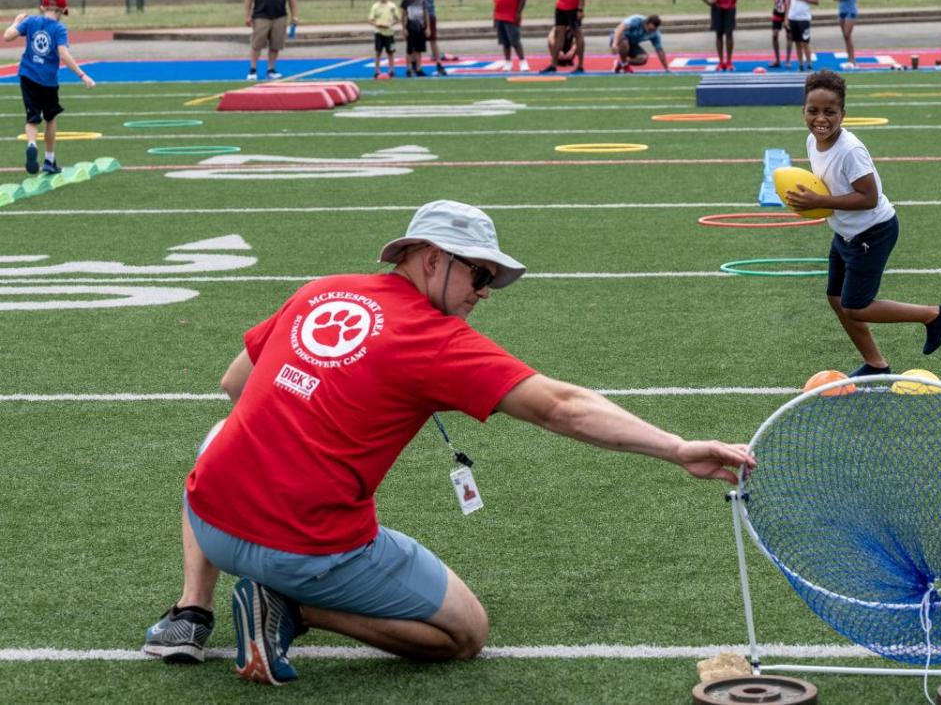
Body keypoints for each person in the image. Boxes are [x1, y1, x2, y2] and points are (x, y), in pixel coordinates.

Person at [141, 200, 755, 684]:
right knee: (467, 634)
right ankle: (295, 607)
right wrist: (675, 447)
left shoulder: (320, 288)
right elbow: (561, 407)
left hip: (216, 521)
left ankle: (192, 612)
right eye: (479, 273)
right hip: (307, 549)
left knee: (220, 437)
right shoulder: (432, 340)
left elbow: (233, 384)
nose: (485, 290)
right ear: (431, 259)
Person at [782, 71, 941, 377]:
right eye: (813, 110)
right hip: (844, 233)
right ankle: (876, 365)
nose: (821, 119)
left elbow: (869, 197)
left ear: (843, 114)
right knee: (836, 300)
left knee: (856, 306)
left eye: (830, 112)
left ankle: (932, 315)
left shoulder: (850, 151)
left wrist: (819, 203)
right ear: (803, 111)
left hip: (872, 232)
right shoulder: (812, 140)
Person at [3, 0, 95, 175]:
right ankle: (49, 160)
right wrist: (82, 75)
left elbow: (7, 36)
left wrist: (16, 22)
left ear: (43, 7)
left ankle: (31, 144)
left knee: (32, 118)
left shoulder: (30, 22)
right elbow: (64, 55)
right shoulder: (59, 29)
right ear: (62, 10)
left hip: (27, 76)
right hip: (48, 81)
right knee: (50, 118)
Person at [243, 0, 298, 81]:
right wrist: (247, 15)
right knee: (256, 45)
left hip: (279, 16)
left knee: (275, 45)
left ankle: (271, 70)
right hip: (260, 16)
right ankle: (253, 70)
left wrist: (294, 15)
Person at [393, 0, 447, 76]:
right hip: (416, 13)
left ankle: (439, 64)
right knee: (415, 41)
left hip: (429, 9)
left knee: (433, 38)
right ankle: (413, 66)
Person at [492, 0, 530, 73]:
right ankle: (508, 62)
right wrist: (494, 18)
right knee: (505, 42)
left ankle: (523, 62)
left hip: (511, 17)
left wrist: (518, 13)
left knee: (515, 41)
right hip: (500, 17)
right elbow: (496, 2)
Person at [785, 0, 819, 72]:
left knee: (805, 43)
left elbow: (816, 1)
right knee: (797, 43)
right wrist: (786, 18)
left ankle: (809, 64)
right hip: (793, 18)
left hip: (804, 18)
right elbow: (788, 1)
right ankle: (800, 65)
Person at [834, 0, 863, 69]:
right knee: (846, 37)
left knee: (847, 34)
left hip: (850, 11)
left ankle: (853, 61)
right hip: (842, 10)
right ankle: (849, 61)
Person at [368, 0, 402, 79]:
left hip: (390, 33)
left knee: (390, 52)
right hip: (379, 33)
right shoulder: (375, 6)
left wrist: (390, 23)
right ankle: (377, 70)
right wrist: (377, 24)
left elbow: (398, 19)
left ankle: (391, 70)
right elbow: (370, 20)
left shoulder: (392, 6)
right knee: (378, 52)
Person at [400, 0, 429, 77]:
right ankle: (408, 68)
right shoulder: (406, 0)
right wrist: (403, 28)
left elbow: (426, 14)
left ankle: (418, 68)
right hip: (410, 28)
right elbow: (403, 15)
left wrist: (427, 27)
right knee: (410, 49)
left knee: (419, 49)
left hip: (420, 28)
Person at [767, 0, 793, 68]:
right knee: (774, 35)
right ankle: (777, 60)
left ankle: (788, 60)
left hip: (789, 12)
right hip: (777, 11)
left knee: (789, 36)